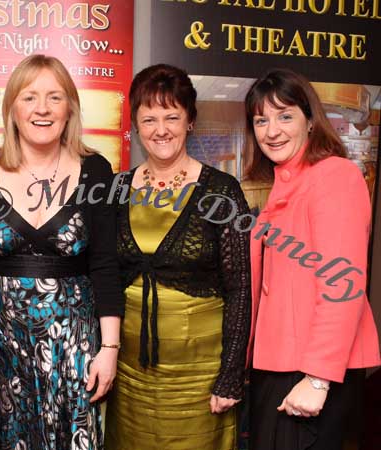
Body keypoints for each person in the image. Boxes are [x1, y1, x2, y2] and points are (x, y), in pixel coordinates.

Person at [0, 54, 124, 449]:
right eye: (29, 97)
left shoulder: (97, 171)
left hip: (72, 351)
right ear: (11, 108)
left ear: (70, 108)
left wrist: (109, 350)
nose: (42, 109)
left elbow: (106, 266)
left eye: (54, 97)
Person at [104, 64, 251, 450]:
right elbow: (102, 278)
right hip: (129, 373)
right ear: (136, 126)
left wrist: (230, 376)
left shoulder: (221, 190)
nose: (161, 129)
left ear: (190, 121)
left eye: (172, 116)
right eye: (149, 118)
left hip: (199, 376)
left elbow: (240, 290)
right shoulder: (117, 188)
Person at [244, 68, 381, 450]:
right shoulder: (285, 182)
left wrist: (318, 378)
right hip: (279, 366)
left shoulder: (334, 175)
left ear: (310, 121)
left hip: (311, 371)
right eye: (261, 120)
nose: (272, 130)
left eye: (285, 116)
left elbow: (344, 283)